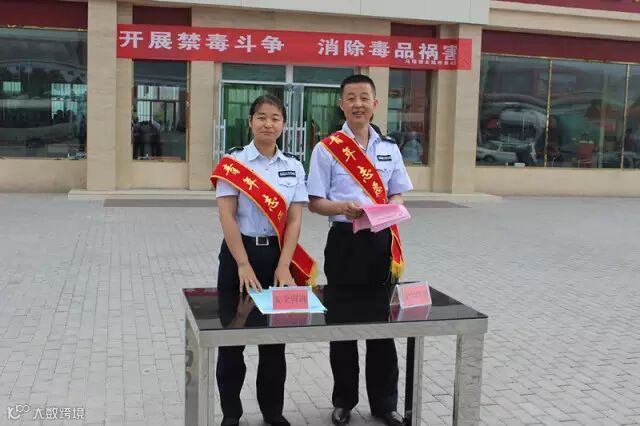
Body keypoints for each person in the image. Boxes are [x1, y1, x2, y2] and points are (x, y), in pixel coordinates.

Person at [306, 74, 413, 426]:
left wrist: (394, 205)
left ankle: (384, 404)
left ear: (375, 104)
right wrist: (341, 207)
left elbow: (398, 192)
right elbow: (315, 202)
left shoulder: (389, 148)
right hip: (344, 243)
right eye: (350, 97)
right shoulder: (326, 149)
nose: (358, 104)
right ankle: (343, 401)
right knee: (342, 325)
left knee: (383, 323)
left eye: (364, 97)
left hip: (381, 241)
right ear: (341, 104)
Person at [209, 94, 315, 426]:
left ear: (284, 125)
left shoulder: (294, 166)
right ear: (250, 121)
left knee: (274, 342)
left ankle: (272, 412)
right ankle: (231, 414)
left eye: (275, 118)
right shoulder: (233, 162)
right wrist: (242, 263)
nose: (268, 124)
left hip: (275, 256)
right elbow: (227, 216)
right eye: (261, 117)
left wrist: (284, 265)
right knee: (232, 339)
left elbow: (294, 220)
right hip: (238, 256)